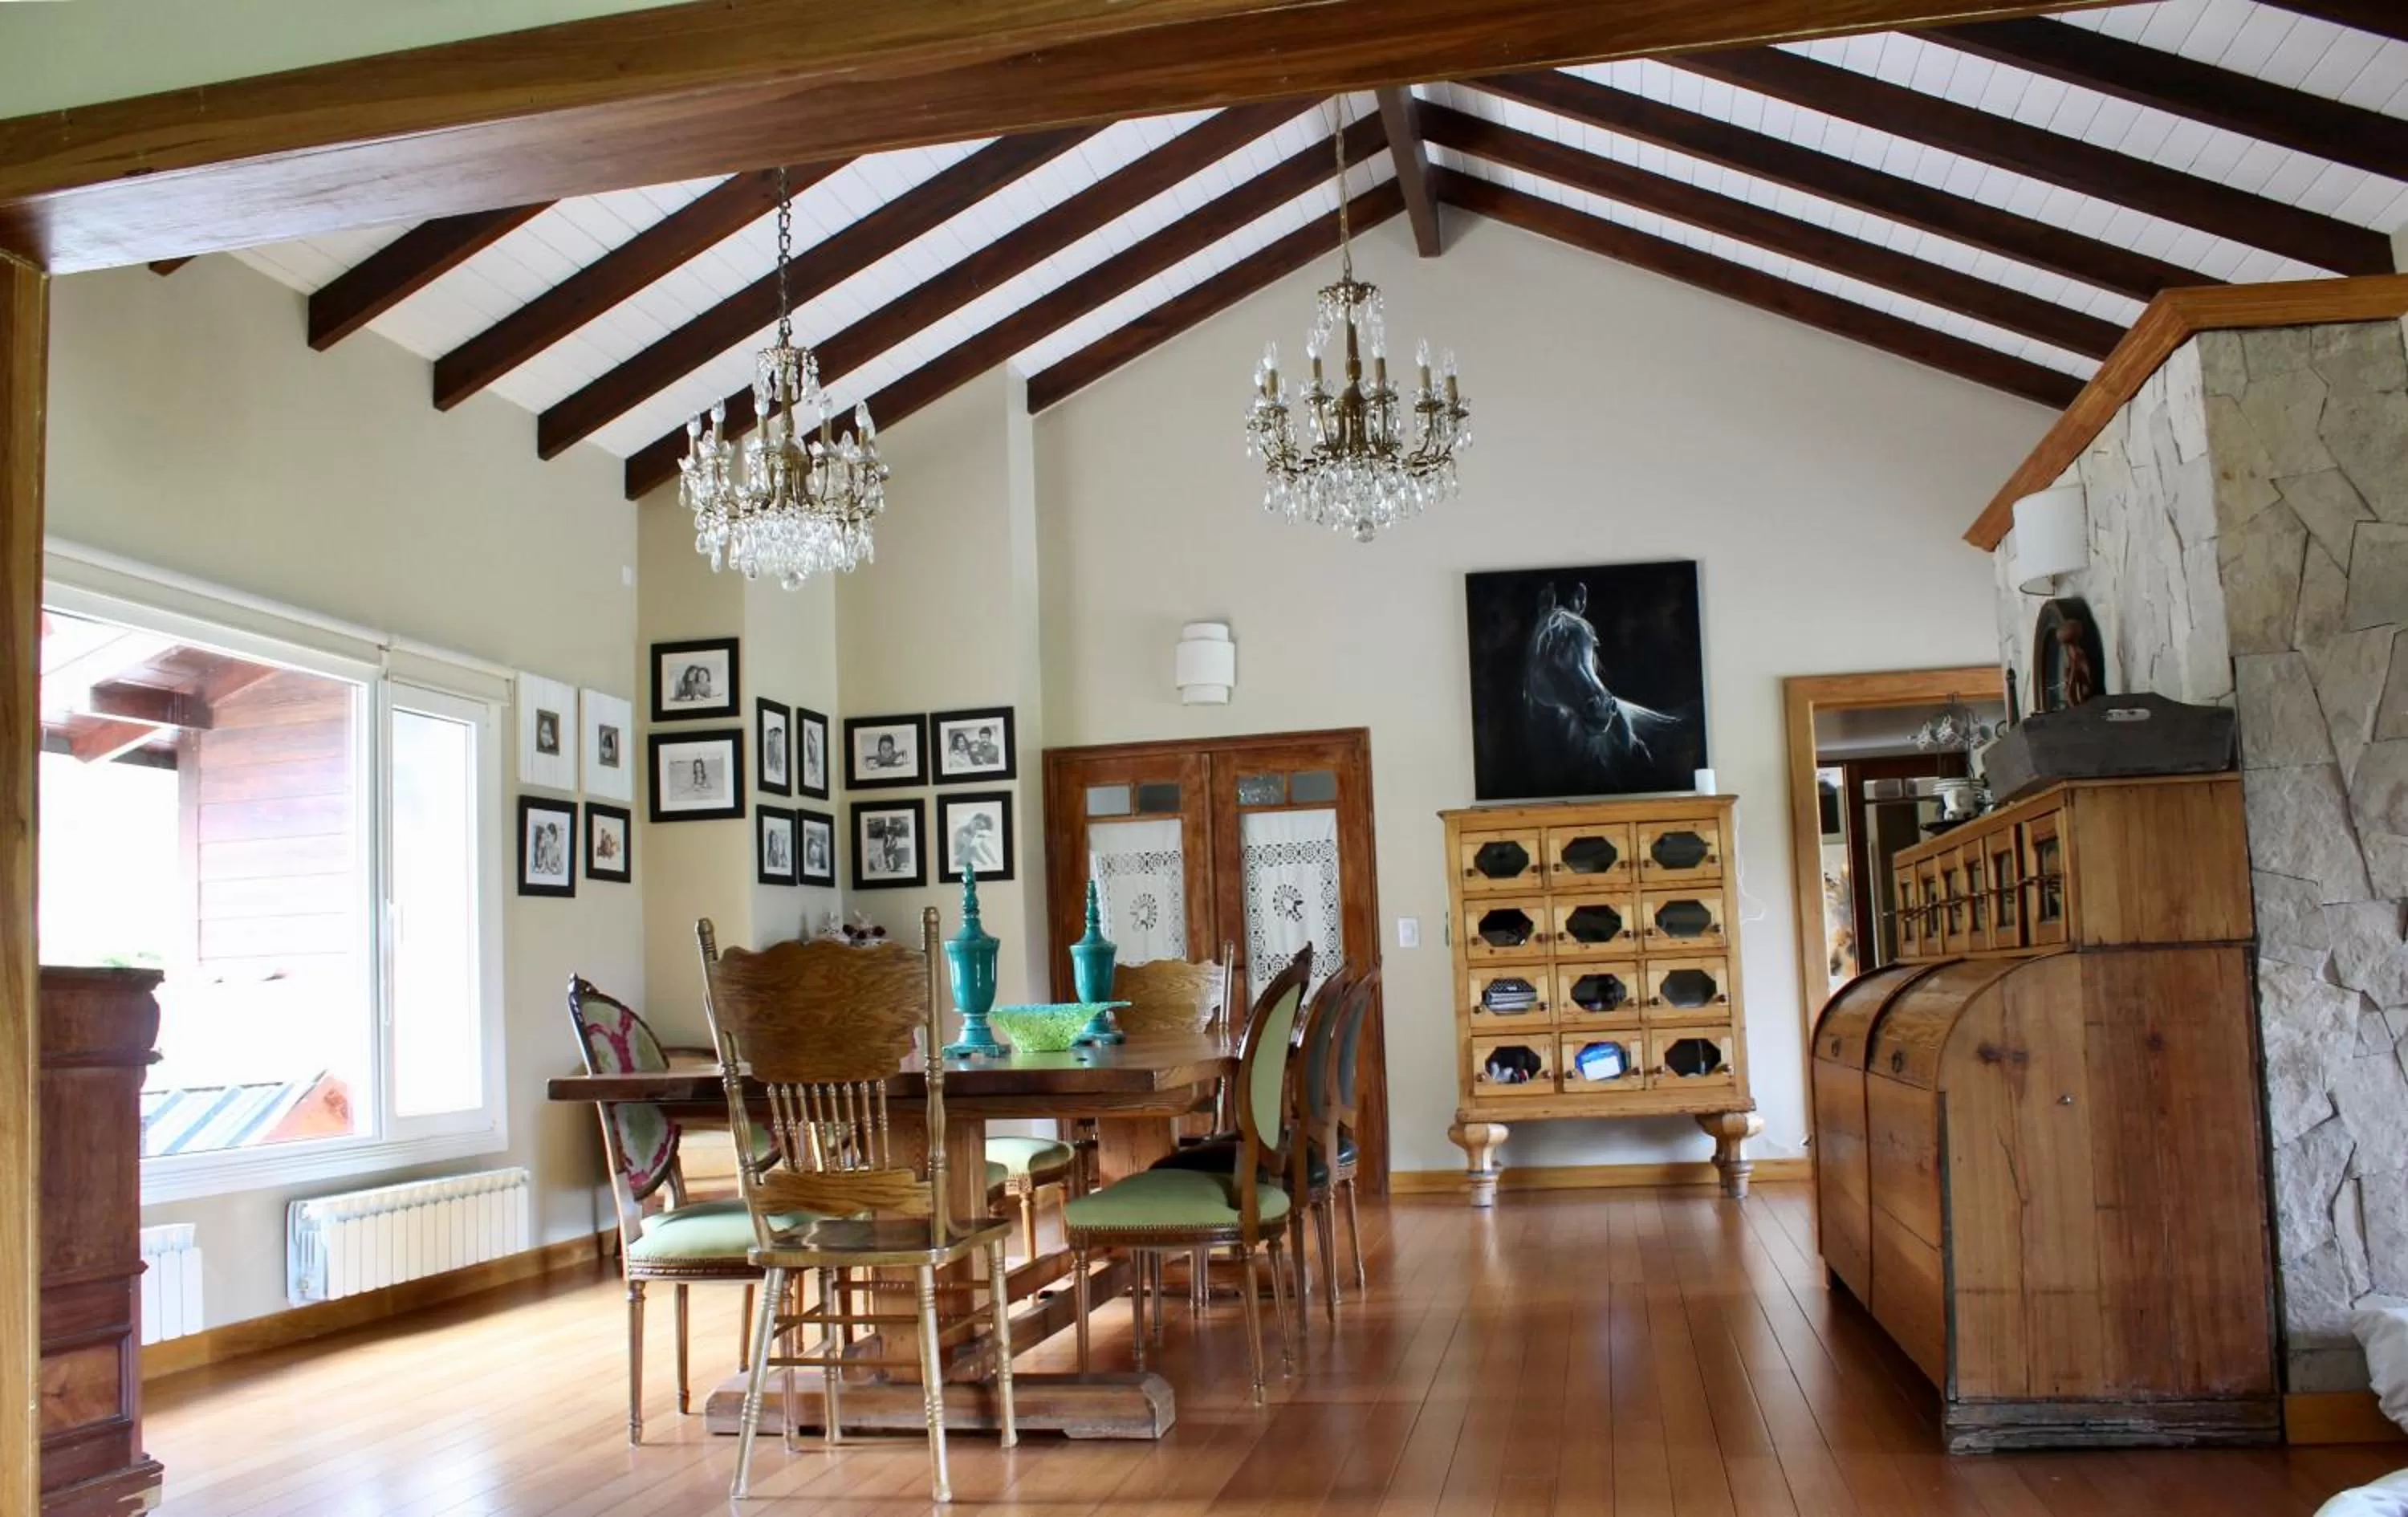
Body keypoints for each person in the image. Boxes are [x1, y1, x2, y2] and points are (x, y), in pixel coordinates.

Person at [952, 811, 1001, 876]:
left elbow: (989, 836)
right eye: (977, 824)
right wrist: (979, 834)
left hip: (968, 858)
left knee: (984, 842)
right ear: (972, 820)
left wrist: (981, 834)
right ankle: (989, 866)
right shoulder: (961, 831)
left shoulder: (975, 832)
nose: (978, 828)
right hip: (959, 861)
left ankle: (996, 863)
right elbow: (969, 843)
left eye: (981, 828)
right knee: (973, 847)